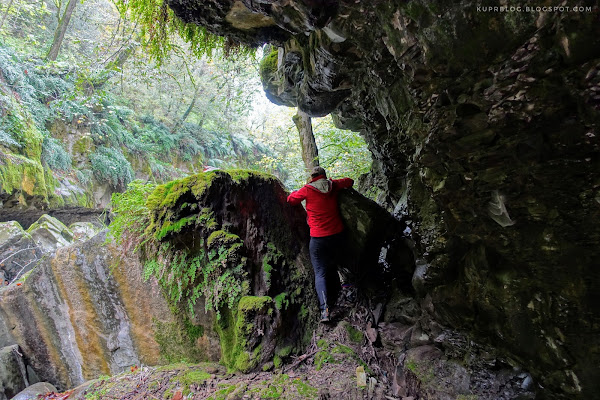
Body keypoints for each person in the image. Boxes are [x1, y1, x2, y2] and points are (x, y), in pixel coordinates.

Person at [287, 166, 354, 322]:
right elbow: (349, 181)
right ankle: (350, 288)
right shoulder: (333, 184)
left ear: (312, 177)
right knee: (342, 261)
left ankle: (325, 310)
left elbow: (291, 200)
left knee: (320, 272)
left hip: (319, 238)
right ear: (324, 175)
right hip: (337, 235)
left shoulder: (307, 190)